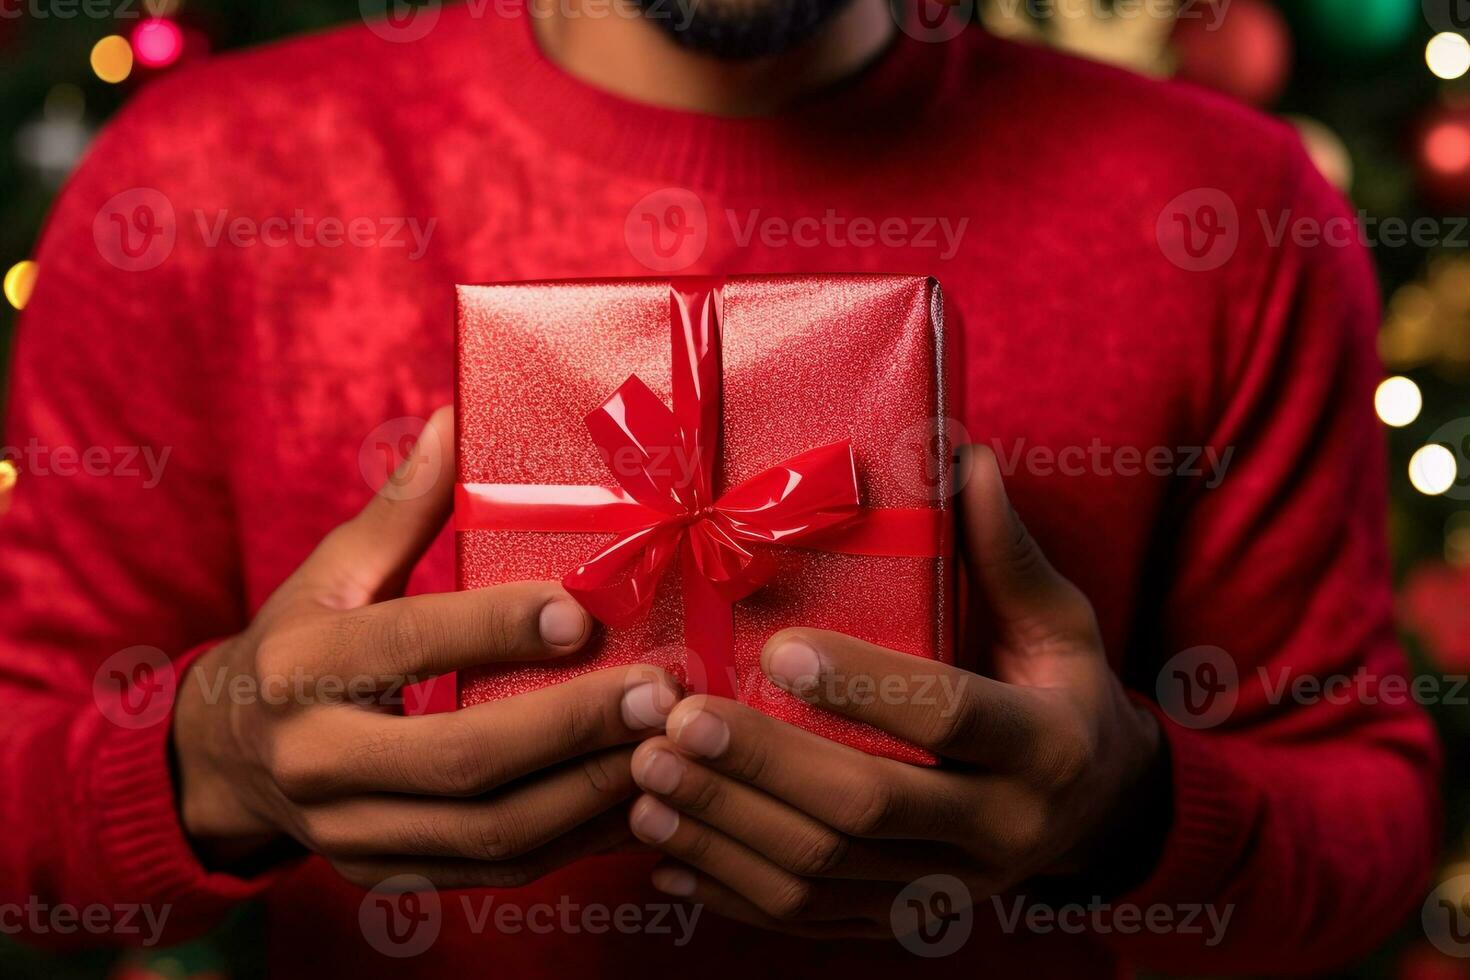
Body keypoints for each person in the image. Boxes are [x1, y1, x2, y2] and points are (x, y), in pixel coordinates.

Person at [0, 0, 1439, 975]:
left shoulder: (1227, 207)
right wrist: (211, 758)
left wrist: (1126, 814)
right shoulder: (200, 183)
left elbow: (1365, 820)